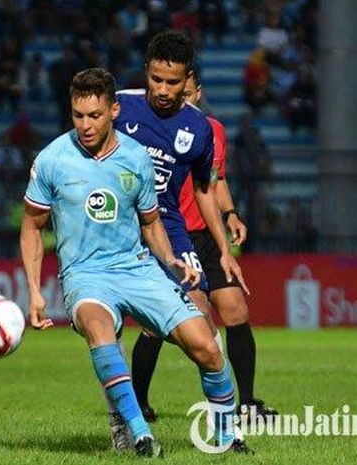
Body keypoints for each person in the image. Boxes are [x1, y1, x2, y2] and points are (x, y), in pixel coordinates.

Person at [21, 67, 250, 458]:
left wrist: (172, 262)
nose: (85, 125)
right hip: (85, 275)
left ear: (113, 111)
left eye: (94, 116)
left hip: (137, 267)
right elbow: (31, 228)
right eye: (78, 116)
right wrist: (33, 293)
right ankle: (140, 434)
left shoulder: (136, 158)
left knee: (207, 346)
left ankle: (228, 436)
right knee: (99, 329)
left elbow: (152, 224)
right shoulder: (52, 159)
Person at [112, 30, 247, 427]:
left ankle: (226, 424)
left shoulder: (198, 128)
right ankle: (125, 416)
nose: (164, 89)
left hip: (168, 227)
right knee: (108, 325)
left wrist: (223, 248)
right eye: (156, 79)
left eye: (173, 82)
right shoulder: (119, 107)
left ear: (188, 79)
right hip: (118, 226)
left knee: (202, 316)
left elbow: (205, 190)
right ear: (146, 73)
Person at [179, 71, 278, 417]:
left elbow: (215, 180)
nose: (183, 100)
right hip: (175, 237)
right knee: (166, 326)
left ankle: (247, 403)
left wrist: (231, 214)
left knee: (235, 310)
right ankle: (141, 404)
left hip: (208, 235)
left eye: (188, 93)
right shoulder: (158, 131)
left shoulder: (212, 130)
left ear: (198, 92)